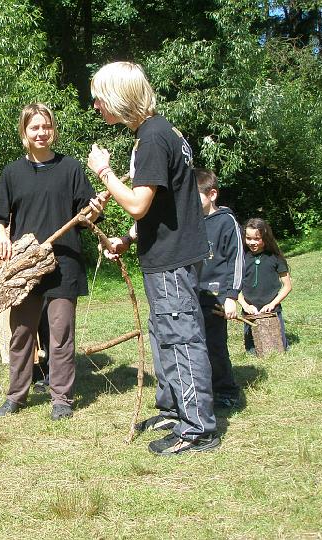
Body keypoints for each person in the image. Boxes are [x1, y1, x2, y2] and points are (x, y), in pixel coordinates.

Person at [88, 61, 220, 455]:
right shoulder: (165, 132)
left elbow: (140, 205)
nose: (95, 106)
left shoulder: (152, 138)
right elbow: (170, 203)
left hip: (170, 260)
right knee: (165, 334)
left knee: (180, 337)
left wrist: (105, 172)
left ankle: (198, 428)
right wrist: (128, 240)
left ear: (118, 96)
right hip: (169, 252)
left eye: (99, 97)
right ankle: (175, 410)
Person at [0, 103, 101, 421]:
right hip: (25, 267)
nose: (41, 133)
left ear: (53, 130)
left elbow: (87, 215)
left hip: (64, 263)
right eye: (34, 127)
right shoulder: (13, 173)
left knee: (61, 333)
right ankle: (16, 395)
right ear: (24, 132)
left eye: (46, 127)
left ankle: (62, 399)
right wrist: (1, 234)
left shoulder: (70, 169)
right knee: (21, 333)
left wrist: (92, 211)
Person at [196, 168, 243, 408]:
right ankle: (203, 390)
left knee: (215, 345)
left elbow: (235, 260)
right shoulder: (191, 222)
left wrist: (230, 296)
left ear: (212, 194)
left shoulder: (227, 222)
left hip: (216, 297)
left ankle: (226, 391)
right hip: (194, 294)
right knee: (197, 346)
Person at [238, 217, 292, 352]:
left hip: (271, 310)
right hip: (250, 311)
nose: (252, 242)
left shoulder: (275, 258)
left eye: (257, 239)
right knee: (252, 351)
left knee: (279, 348)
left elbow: (287, 286)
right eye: (249, 238)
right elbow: (235, 288)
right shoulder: (240, 259)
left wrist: (272, 304)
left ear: (265, 238)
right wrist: (245, 305)